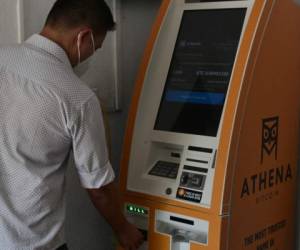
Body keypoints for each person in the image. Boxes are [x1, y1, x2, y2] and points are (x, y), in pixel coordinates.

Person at [0, 0, 144, 249]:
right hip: (34, 242)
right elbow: (98, 186)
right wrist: (124, 229)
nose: (91, 56)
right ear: (83, 37)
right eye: (96, 48)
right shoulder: (78, 97)